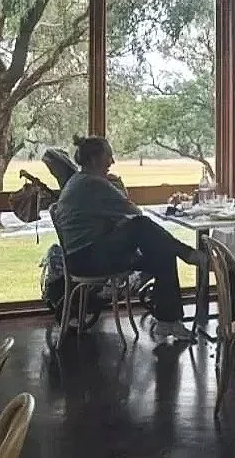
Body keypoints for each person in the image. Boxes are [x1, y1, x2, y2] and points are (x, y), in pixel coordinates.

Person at [52, 135, 204, 343]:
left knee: (163, 253)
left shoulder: (78, 181)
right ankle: (188, 254)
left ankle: (169, 322)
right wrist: (118, 192)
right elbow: (135, 213)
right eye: (109, 156)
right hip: (89, 258)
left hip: (80, 257)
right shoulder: (94, 184)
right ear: (95, 159)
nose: (112, 162)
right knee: (141, 225)